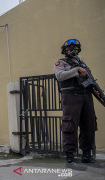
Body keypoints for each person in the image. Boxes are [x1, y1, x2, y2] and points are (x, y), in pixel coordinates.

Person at [54, 39, 104, 171]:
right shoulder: (61, 63)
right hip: (71, 96)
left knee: (89, 125)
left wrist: (97, 91)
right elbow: (60, 76)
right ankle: (70, 159)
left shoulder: (83, 64)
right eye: (69, 48)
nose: (72, 50)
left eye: (75, 47)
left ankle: (86, 156)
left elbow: (89, 80)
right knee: (70, 125)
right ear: (65, 51)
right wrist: (77, 70)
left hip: (86, 96)